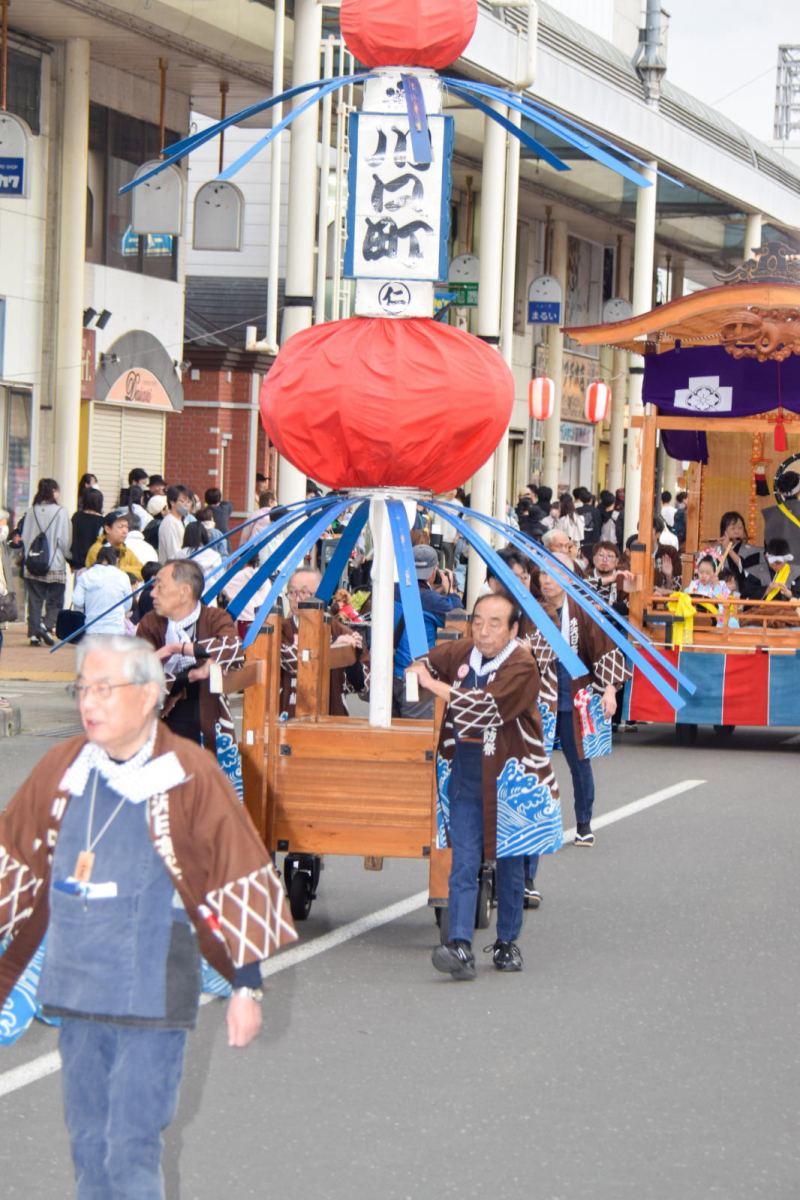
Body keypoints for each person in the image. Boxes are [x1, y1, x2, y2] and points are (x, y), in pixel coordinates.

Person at [0, 635, 296, 1198]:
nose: (89, 703)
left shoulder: (189, 773)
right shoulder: (62, 768)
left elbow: (237, 870)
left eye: (104, 690)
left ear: (146, 696)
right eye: (83, 689)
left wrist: (246, 986)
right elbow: (12, 859)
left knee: (132, 1139)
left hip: (155, 978)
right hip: (78, 978)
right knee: (89, 1138)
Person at [406, 593, 561, 979]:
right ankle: (459, 945)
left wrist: (431, 684)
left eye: (495, 623)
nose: (484, 630)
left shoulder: (522, 663)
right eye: (478, 621)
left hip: (510, 779)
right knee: (463, 861)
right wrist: (419, 669)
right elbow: (425, 661)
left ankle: (507, 942)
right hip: (466, 775)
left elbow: (483, 707)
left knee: (510, 862)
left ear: (513, 629)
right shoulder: (463, 652)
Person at [531, 554, 630, 853]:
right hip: (539, 697)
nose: (547, 579)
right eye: (542, 573)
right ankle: (536, 824)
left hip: (575, 695)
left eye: (553, 573)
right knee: (534, 763)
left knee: (579, 763)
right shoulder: (531, 609)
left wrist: (610, 690)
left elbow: (603, 648)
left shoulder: (582, 610)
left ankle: (584, 823)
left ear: (568, 577)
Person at [137, 559, 244, 752]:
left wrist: (178, 648)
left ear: (184, 591)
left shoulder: (214, 618)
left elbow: (234, 649)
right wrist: (191, 675)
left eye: (160, 586)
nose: (152, 593)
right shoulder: (150, 623)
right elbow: (139, 674)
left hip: (209, 716)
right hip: (162, 718)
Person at [280, 568, 364, 717]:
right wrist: (333, 650)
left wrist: (352, 653)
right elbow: (295, 662)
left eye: (304, 592)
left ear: (320, 595)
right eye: (292, 592)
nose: (297, 599)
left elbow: (362, 685)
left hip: (331, 713)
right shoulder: (280, 630)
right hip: (288, 715)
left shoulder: (340, 631)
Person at [392, 544, 462, 719]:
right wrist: (451, 591)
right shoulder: (434, 601)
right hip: (415, 677)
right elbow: (460, 622)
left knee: (388, 732)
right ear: (434, 572)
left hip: (386, 675)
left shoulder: (389, 590)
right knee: (416, 733)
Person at [21, 477, 72, 647]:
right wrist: (69, 557)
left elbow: (25, 537)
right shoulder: (60, 512)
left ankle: (34, 635)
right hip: (54, 563)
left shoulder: (31, 511)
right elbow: (64, 540)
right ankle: (45, 626)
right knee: (55, 600)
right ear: (54, 491)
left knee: (35, 600)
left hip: (33, 562)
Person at [70, 545, 133, 635]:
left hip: (92, 628)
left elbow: (77, 601)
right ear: (117, 560)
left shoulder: (86, 575)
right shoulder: (123, 576)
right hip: (116, 628)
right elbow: (128, 605)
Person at [85, 512, 144, 581]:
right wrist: (128, 569)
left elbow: (142, 572)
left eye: (127, 527)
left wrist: (118, 568)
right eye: (120, 527)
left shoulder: (125, 550)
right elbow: (104, 575)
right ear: (107, 529)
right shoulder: (97, 550)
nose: (125, 531)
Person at [69, 487, 105, 572]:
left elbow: (70, 539)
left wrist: (71, 562)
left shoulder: (76, 517)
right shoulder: (101, 521)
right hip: (94, 563)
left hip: (77, 563)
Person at [158, 484, 193, 564]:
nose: (187, 505)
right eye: (182, 501)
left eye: (188, 502)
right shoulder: (170, 523)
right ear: (172, 502)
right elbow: (173, 554)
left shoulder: (182, 520)